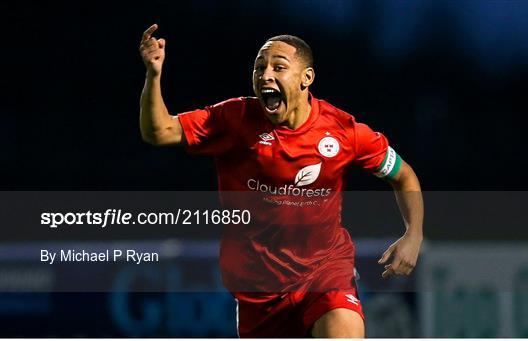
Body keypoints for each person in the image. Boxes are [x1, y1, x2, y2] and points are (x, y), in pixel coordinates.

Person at [139, 24, 423, 338]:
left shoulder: (344, 131)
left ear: (307, 78)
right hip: (258, 290)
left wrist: (414, 234)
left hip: (325, 273)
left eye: (279, 67)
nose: (265, 75)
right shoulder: (234, 120)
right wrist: (153, 75)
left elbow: (403, 175)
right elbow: (158, 131)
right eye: (259, 67)